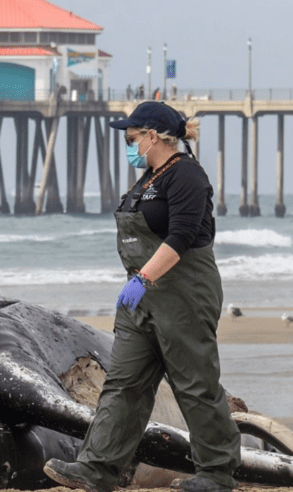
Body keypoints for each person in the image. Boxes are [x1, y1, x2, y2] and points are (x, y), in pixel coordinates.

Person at [43, 101, 241, 492]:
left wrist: (144, 278)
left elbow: (181, 236)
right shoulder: (147, 179)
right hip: (142, 299)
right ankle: (97, 469)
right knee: (123, 384)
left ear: (152, 136)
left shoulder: (186, 175)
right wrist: (137, 286)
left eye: (131, 138)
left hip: (183, 294)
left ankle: (217, 473)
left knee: (194, 383)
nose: (128, 146)